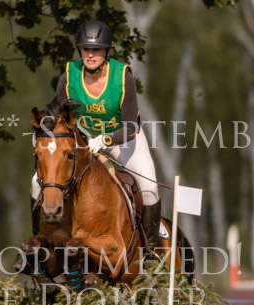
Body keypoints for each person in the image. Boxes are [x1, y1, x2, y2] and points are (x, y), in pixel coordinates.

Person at [30, 20, 162, 255]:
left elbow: (130, 127)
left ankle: (150, 254)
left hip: (123, 139)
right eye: (86, 49)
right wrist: (43, 132)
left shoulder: (123, 77)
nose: (90, 55)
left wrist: (103, 140)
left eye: (96, 49)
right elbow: (56, 115)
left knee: (150, 188)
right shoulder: (69, 77)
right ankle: (39, 244)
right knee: (35, 182)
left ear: (106, 51)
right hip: (83, 142)